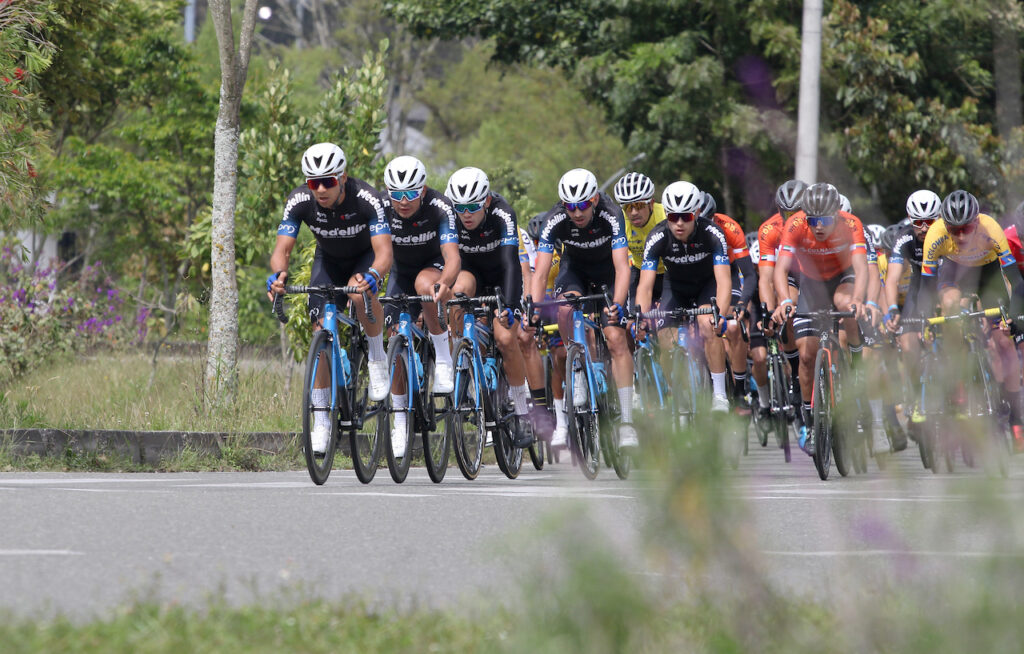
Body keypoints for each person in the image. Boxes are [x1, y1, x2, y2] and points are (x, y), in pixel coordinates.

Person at [267, 142, 392, 455]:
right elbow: (282, 250)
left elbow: (384, 253)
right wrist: (279, 276)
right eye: (313, 183)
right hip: (328, 261)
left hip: (364, 259)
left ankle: (377, 356)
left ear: (343, 177)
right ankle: (321, 418)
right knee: (320, 328)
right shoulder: (299, 200)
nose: (320, 189)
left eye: (328, 182)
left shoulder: (367, 199)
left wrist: (374, 277)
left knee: (357, 291)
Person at [531, 168, 638, 449]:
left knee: (615, 338)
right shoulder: (555, 218)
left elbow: (622, 267)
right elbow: (541, 273)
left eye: (582, 205)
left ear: (593, 199)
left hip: (608, 274)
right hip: (575, 271)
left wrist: (617, 304)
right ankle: (577, 372)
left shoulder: (611, 214)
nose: (576, 213)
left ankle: (627, 423)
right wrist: (532, 308)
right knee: (565, 309)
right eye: (570, 207)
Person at [917, 190, 1024, 444]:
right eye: (955, 230)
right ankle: (960, 381)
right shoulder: (935, 234)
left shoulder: (991, 228)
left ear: (977, 221)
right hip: (955, 272)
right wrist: (926, 318)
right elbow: (926, 285)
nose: (962, 235)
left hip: (988, 274)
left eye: (967, 228)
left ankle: (1015, 418)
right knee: (951, 309)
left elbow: (1015, 280)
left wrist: (1016, 316)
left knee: (1004, 343)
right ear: (945, 226)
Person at [771, 182, 870, 454]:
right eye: (813, 220)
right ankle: (810, 421)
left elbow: (861, 267)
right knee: (806, 356)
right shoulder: (795, 224)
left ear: (836, 214)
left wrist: (859, 300)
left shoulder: (851, 224)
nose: (818, 227)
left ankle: (857, 358)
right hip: (812, 285)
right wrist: (785, 301)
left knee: (844, 304)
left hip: (843, 279)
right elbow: (780, 270)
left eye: (825, 220)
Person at [445, 166, 533, 447]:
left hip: (501, 276)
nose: (466, 214)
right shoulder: (451, 216)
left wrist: (506, 305)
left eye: (472, 206)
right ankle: (467, 365)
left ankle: (521, 412)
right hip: (470, 273)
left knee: (506, 338)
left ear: (485, 201)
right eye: (460, 207)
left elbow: (510, 264)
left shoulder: (503, 213)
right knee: (457, 294)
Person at [381, 155, 461, 457]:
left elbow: (453, 257)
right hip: (399, 273)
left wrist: (446, 283)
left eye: (410, 194)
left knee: (425, 288)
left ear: (423, 190)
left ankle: (442, 357)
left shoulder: (441, 208)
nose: (403, 201)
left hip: (432, 266)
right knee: (394, 343)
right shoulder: (382, 208)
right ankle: (399, 419)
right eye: (396, 194)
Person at [636, 181, 732, 412]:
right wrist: (639, 315)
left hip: (706, 286)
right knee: (665, 339)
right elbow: (646, 286)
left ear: (697, 213)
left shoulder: (712, 233)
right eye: (673, 217)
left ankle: (719, 394)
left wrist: (720, 313)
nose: (679, 223)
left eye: (686, 217)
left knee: (708, 325)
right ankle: (677, 393)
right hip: (676, 287)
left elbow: (724, 281)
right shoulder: (657, 237)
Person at [699, 191, 757, 410]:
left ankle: (740, 389)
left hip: (726, 273)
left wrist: (742, 303)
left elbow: (749, 275)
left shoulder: (730, 228)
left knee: (732, 327)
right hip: (696, 276)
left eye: (709, 221)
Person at [614, 171, 665, 308]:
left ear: (651, 203)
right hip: (640, 271)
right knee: (634, 323)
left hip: (669, 273)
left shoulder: (666, 217)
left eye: (639, 205)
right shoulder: (620, 223)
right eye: (628, 207)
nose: (634, 212)